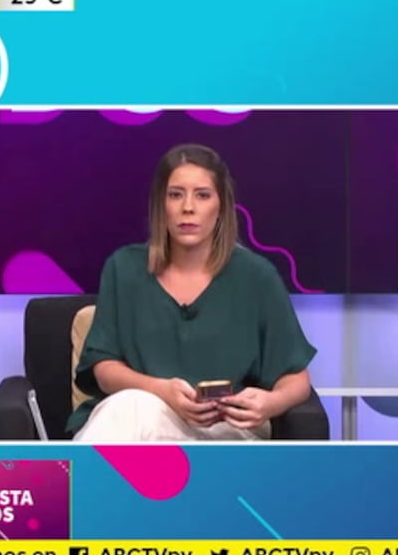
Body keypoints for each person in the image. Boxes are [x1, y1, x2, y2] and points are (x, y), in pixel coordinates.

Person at [66, 143, 317, 441]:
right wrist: (162, 391)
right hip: (140, 423)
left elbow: (296, 378)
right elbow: (104, 370)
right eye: (175, 195)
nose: (188, 207)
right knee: (131, 407)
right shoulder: (123, 269)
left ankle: (71, 472)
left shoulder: (257, 277)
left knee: (127, 414)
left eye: (202, 195)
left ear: (221, 205)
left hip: (225, 431)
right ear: (161, 204)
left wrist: (270, 403)